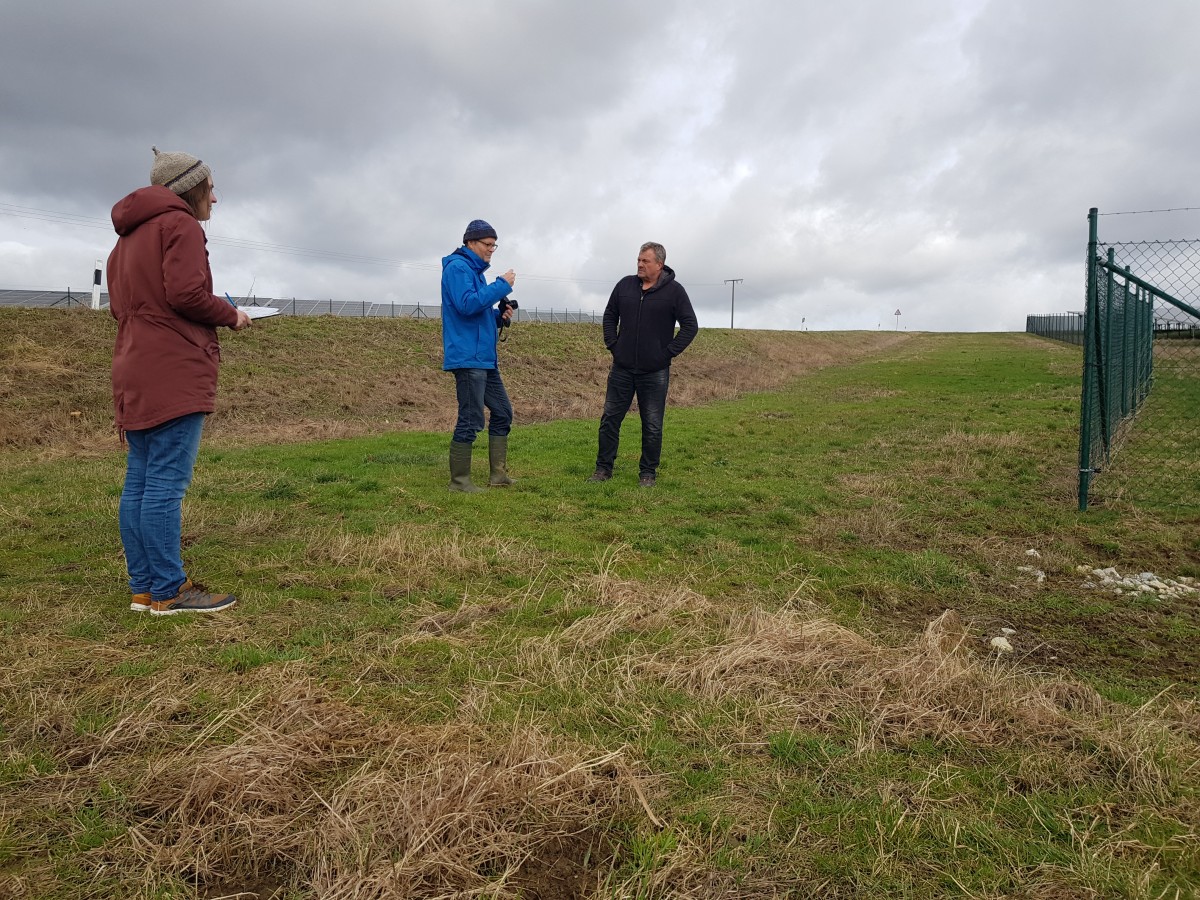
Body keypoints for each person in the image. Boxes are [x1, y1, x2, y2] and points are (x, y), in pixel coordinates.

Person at [107, 147, 252, 615]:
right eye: (211, 188)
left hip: (134, 363)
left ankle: (144, 588)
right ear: (192, 189)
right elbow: (187, 293)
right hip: (173, 365)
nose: (216, 198)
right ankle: (170, 591)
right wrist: (232, 314)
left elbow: (119, 307)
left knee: (141, 481)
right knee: (166, 484)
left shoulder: (125, 239)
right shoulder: (180, 225)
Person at [589, 242, 698, 487]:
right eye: (638, 260)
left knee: (652, 424)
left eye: (645, 261)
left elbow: (690, 326)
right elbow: (609, 315)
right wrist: (613, 345)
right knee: (610, 419)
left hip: (655, 372)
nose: (639, 264)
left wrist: (666, 354)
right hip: (622, 369)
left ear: (659, 265)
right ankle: (603, 470)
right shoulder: (624, 286)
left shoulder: (675, 292)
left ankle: (647, 474)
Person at [441, 219, 517, 492]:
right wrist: (500, 286)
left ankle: (498, 475)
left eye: (494, 245)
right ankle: (460, 482)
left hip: (484, 359)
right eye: (488, 244)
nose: (491, 250)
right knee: (471, 418)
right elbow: (466, 305)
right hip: (468, 358)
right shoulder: (458, 268)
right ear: (470, 242)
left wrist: (499, 316)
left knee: (502, 412)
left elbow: (477, 311)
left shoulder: (474, 272)